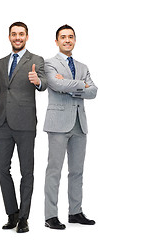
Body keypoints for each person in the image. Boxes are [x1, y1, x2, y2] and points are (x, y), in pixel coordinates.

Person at [0, 21, 47, 233]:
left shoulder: (36, 60)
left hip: (24, 123)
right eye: (14, 34)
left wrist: (37, 81)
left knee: (27, 171)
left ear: (27, 36)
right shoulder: (0, 62)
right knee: (2, 169)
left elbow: (44, 84)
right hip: (2, 123)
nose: (17, 37)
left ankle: (24, 217)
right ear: (9, 37)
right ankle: (12, 213)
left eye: (21, 34)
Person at [43, 24, 98, 230]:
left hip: (79, 123)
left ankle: (75, 212)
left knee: (77, 171)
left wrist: (71, 85)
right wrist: (80, 85)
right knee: (54, 170)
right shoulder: (49, 63)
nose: (67, 40)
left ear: (75, 40)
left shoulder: (83, 66)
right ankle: (50, 216)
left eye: (71, 37)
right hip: (58, 123)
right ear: (56, 41)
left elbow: (93, 92)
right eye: (63, 37)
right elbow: (56, 85)